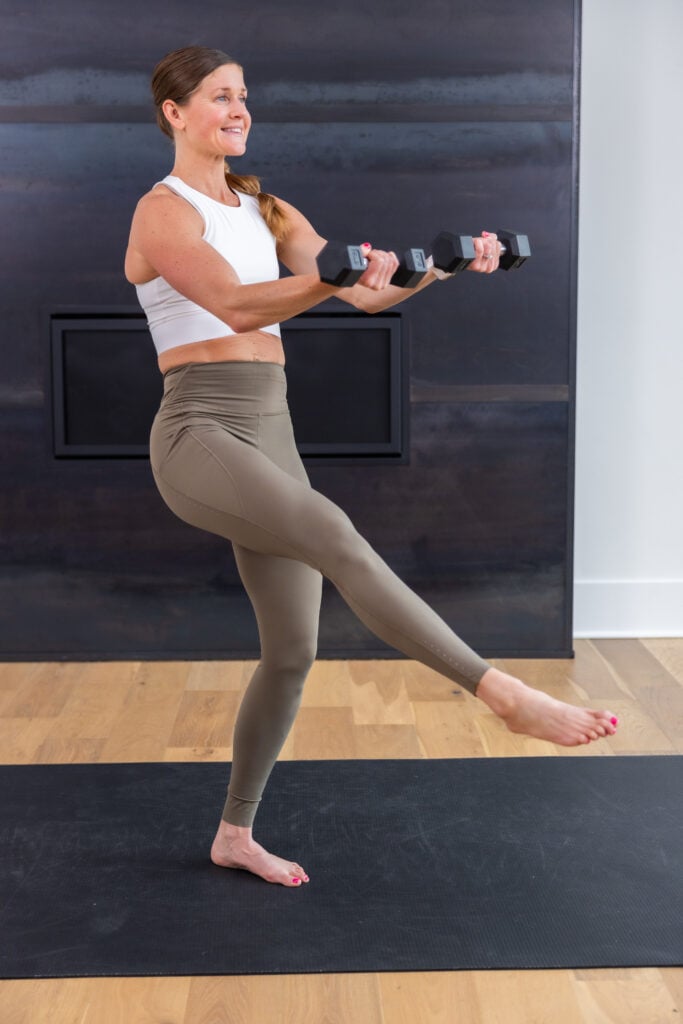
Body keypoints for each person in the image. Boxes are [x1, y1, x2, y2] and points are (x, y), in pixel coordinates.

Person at [124, 45, 619, 888]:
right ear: (173, 111)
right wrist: (330, 277)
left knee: (291, 650)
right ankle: (500, 692)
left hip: (268, 427)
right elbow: (240, 303)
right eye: (219, 97)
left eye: (244, 96)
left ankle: (233, 834)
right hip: (197, 431)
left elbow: (363, 293)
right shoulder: (161, 212)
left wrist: (445, 266)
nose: (239, 111)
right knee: (333, 531)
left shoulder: (265, 206)